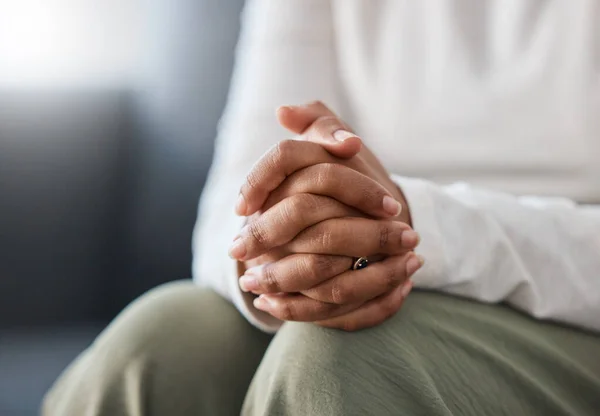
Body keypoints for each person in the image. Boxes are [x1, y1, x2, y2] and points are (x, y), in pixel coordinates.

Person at [43, 1, 600, 415]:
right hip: (391, 262)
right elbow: (230, 209)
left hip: (572, 306)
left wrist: (404, 222)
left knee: (338, 366)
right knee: (157, 343)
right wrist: (280, 248)